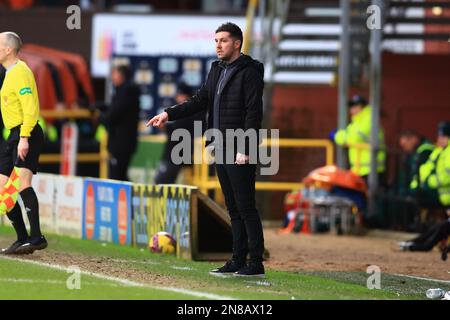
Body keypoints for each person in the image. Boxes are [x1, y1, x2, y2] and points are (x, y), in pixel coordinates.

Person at [147, 22, 266, 277]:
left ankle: (255, 262)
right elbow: (200, 100)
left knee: (246, 207)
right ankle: (237, 259)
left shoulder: (250, 73)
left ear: (237, 43)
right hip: (220, 146)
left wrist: (245, 148)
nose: (218, 45)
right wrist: (168, 114)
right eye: (215, 41)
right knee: (232, 207)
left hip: (239, 147)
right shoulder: (217, 69)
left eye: (223, 40)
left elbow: (254, 114)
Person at [0, 31, 47, 254]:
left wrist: (25, 137)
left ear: (8, 49)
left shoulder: (20, 71)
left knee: (22, 183)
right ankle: (22, 238)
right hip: (12, 135)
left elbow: (30, 107)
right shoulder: (9, 72)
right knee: (3, 190)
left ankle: (36, 237)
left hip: (25, 134)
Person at [399, 121, 450, 251]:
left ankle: (419, 245)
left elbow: (445, 177)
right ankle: (414, 243)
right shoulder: (440, 150)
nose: (439, 140)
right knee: (443, 226)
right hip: (441, 194)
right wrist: (426, 182)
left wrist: (428, 182)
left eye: (443, 137)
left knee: (444, 226)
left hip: (443, 195)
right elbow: (425, 170)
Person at [154, 82, 206, 184]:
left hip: (187, 153)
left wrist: (167, 128)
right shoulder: (185, 111)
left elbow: (180, 129)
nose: (177, 98)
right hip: (184, 154)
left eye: (180, 95)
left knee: (160, 183)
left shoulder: (193, 111)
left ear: (186, 95)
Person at [97, 64, 140, 181]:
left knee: (117, 176)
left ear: (121, 76)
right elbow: (114, 109)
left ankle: (128, 198)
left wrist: (99, 118)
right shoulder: (123, 93)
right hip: (122, 142)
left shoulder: (126, 92)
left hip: (121, 143)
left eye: (115, 74)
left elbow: (114, 114)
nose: (112, 77)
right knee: (119, 175)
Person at [334, 95, 386, 184]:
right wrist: (340, 136)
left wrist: (338, 136)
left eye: (354, 106)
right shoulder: (356, 122)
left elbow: (354, 138)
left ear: (362, 107)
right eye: (351, 106)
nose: (351, 109)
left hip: (371, 169)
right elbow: (347, 136)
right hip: (360, 169)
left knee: (369, 195)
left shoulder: (370, 118)